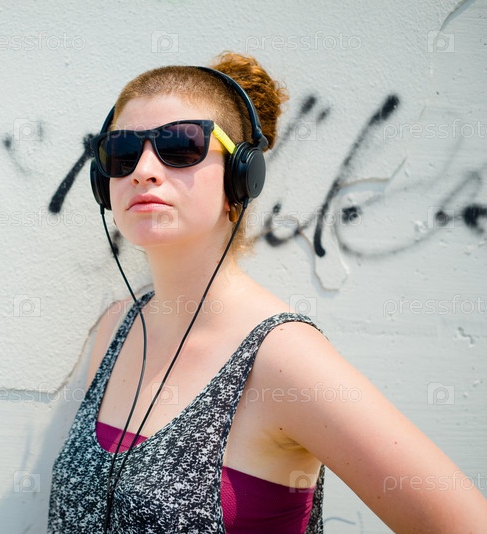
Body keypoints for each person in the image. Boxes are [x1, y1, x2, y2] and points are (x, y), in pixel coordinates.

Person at [47, 52, 487, 533]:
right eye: (121, 151)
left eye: (180, 145)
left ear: (241, 175)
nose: (143, 169)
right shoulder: (117, 326)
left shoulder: (282, 358)